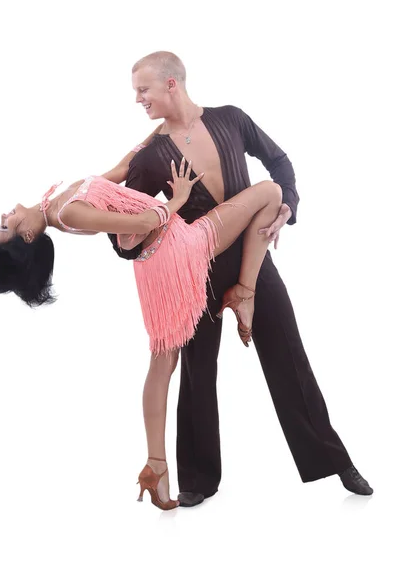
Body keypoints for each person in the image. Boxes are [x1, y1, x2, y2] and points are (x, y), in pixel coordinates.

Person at [107, 51, 373, 506]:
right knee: (197, 373)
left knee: (289, 357)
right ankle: (197, 480)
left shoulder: (231, 119)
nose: (138, 100)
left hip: (254, 264)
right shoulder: (151, 156)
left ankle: (334, 460)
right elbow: (121, 233)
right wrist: (161, 220)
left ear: (172, 83)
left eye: (143, 89)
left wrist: (287, 205)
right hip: (195, 274)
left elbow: (280, 162)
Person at [0, 157, 282, 510]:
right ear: (26, 236)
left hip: (155, 262)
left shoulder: (55, 201)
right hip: (177, 249)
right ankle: (245, 293)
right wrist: (179, 198)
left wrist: (156, 134)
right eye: (4, 228)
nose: (3, 217)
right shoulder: (67, 214)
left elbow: (119, 171)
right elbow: (145, 221)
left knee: (162, 366)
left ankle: (155, 468)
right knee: (270, 192)